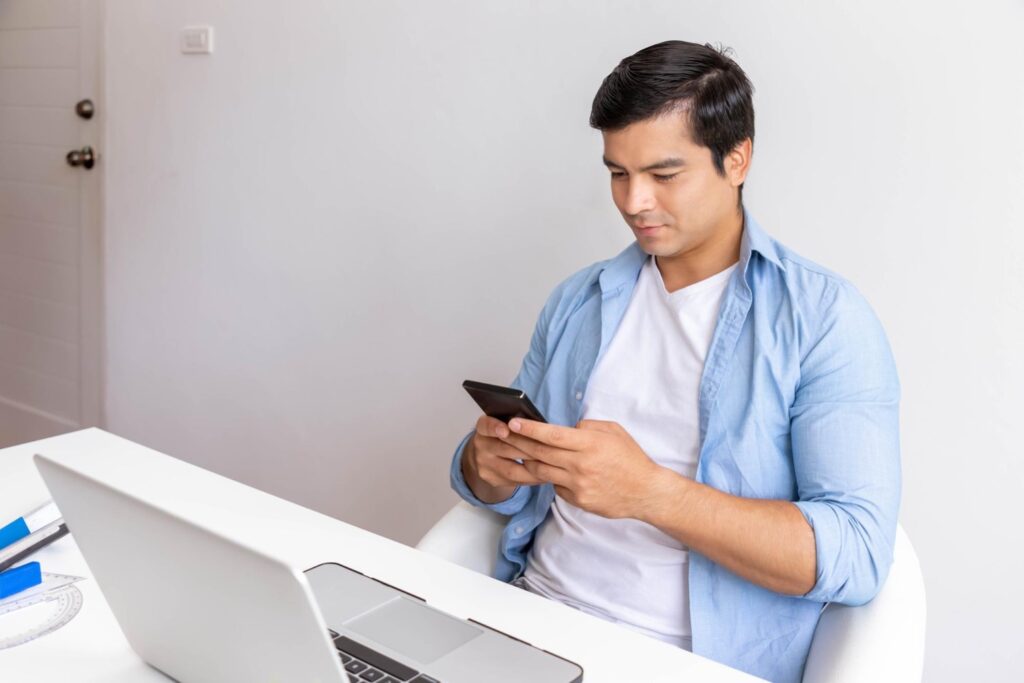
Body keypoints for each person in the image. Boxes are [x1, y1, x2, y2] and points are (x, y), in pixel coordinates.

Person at [449, 39, 900, 683]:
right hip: (527, 622)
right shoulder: (579, 300)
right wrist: (486, 464)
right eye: (617, 173)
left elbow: (856, 554)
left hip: (677, 661)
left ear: (737, 159)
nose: (634, 202)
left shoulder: (823, 320)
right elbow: (492, 487)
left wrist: (651, 493)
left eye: (664, 176)